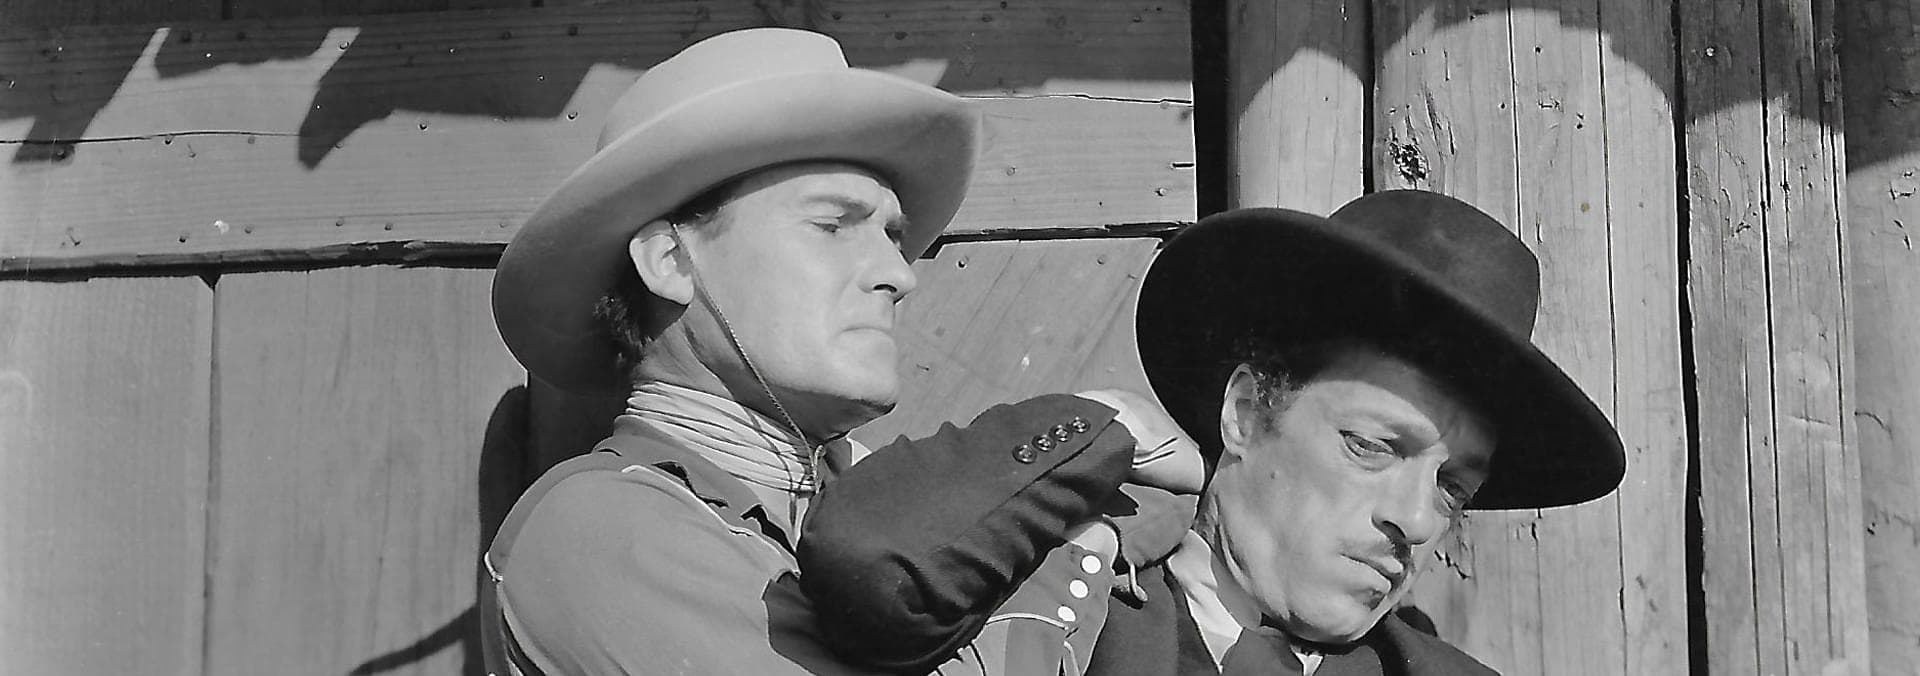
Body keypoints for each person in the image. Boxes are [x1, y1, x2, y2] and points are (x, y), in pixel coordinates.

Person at [481, 27, 1202, 675]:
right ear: (670, 262)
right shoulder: (596, 529)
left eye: (892, 236)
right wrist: (1077, 529)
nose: (899, 274)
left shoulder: (879, 504)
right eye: (832, 226)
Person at [801, 190, 1628, 675]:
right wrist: (1108, 428)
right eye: (1372, 446)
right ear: (1245, 412)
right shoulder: (1068, 616)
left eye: (1452, 487)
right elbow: (874, 563)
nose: (1414, 520)